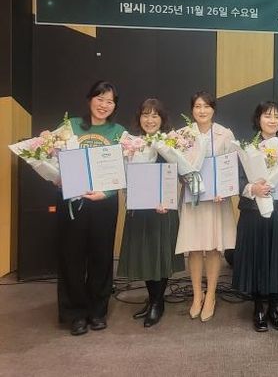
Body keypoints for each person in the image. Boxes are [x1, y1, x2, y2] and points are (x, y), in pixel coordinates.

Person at [57, 81, 126, 336]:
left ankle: (97, 311)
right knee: (72, 258)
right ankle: (75, 313)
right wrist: (56, 175)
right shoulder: (71, 126)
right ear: (89, 99)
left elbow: (124, 169)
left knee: (101, 257)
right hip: (74, 202)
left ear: (114, 106)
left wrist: (106, 193)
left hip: (104, 203)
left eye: (110, 101)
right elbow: (52, 156)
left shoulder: (119, 132)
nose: (104, 105)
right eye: (100, 98)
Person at [117, 98, 184, 328]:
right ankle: (153, 299)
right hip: (140, 208)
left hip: (163, 209)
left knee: (160, 254)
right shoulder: (131, 143)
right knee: (145, 254)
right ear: (139, 118)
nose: (150, 120)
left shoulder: (170, 143)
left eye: (155, 115)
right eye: (145, 115)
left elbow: (181, 172)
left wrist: (166, 198)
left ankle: (157, 302)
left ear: (162, 119)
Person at [232, 101, 278, 332]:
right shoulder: (247, 147)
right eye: (267, 116)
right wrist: (253, 188)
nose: (272, 120)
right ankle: (259, 307)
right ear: (258, 119)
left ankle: (274, 308)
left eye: (277, 116)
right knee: (258, 259)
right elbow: (237, 179)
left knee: (277, 257)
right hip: (254, 213)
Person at [175, 91, 236, 322]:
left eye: (206, 106)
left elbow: (231, 167)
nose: (202, 110)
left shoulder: (225, 134)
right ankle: (196, 295)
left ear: (213, 109)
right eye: (198, 106)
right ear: (192, 110)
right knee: (193, 247)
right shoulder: (182, 135)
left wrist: (225, 189)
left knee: (212, 247)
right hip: (192, 198)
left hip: (216, 200)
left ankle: (210, 295)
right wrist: (182, 177)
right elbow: (177, 168)